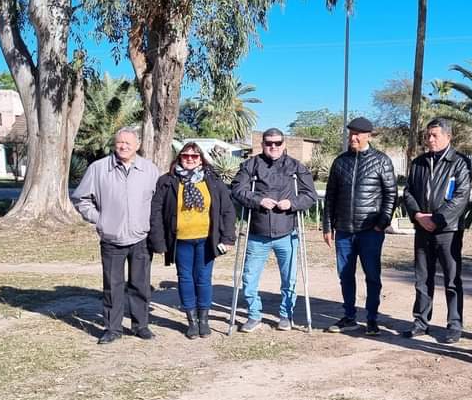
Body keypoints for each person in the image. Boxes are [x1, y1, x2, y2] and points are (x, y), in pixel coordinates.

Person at [72, 127, 160, 344]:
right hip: (112, 238)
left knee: (140, 284)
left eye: (128, 143)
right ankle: (112, 328)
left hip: (141, 238)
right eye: (119, 142)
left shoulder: (150, 170)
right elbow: (81, 199)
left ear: (137, 146)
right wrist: (100, 219)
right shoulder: (99, 168)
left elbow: (158, 202)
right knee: (113, 285)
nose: (123, 146)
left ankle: (141, 325)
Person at [231, 128, 317, 332]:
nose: (273, 147)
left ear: (284, 144)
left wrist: (292, 203)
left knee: (290, 279)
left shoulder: (296, 167)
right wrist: (258, 200)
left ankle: (286, 315)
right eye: (269, 143)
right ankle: (253, 315)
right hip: (257, 232)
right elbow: (237, 189)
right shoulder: (250, 165)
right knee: (249, 277)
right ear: (262, 144)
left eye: (277, 143)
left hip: (287, 232)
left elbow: (310, 195)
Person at [148, 142, 236, 339]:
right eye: (185, 155)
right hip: (181, 240)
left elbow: (228, 210)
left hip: (206, 239)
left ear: (201, 159)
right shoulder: (167, 181)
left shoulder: (212, 180)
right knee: (185, 278)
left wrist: (228, 237)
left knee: (204, 279)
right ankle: (191, 320)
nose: (189, 159)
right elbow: (156, 212)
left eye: (194, 156)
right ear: (179, 157)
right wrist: (158, 241)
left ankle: (204, 320)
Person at [323, 117, 397, 336]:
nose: (353, 137)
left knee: (372, 276)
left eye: (358, 134)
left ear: (368, 136)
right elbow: (330, 197)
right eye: (351, 133)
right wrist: (327, 226)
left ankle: (372, 318)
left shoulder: (382, 161)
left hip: (370, 232)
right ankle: (349, 316)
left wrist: (382, 222)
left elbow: (390, 195)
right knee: (345, 275)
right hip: (344, 230)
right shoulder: (340, 162)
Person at [402, 118, 471, 344]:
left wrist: (438, 219)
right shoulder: (419, 162)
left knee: (451, 279)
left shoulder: (459, 162)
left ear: (448, 137)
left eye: (435, 136)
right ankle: (420, 321)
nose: (430, 140)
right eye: (428, 136)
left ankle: (454, 324)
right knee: (422, 278)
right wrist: (418, 216)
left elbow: (460, 197)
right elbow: (408, 192)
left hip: (447, 230)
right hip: (423, 228)